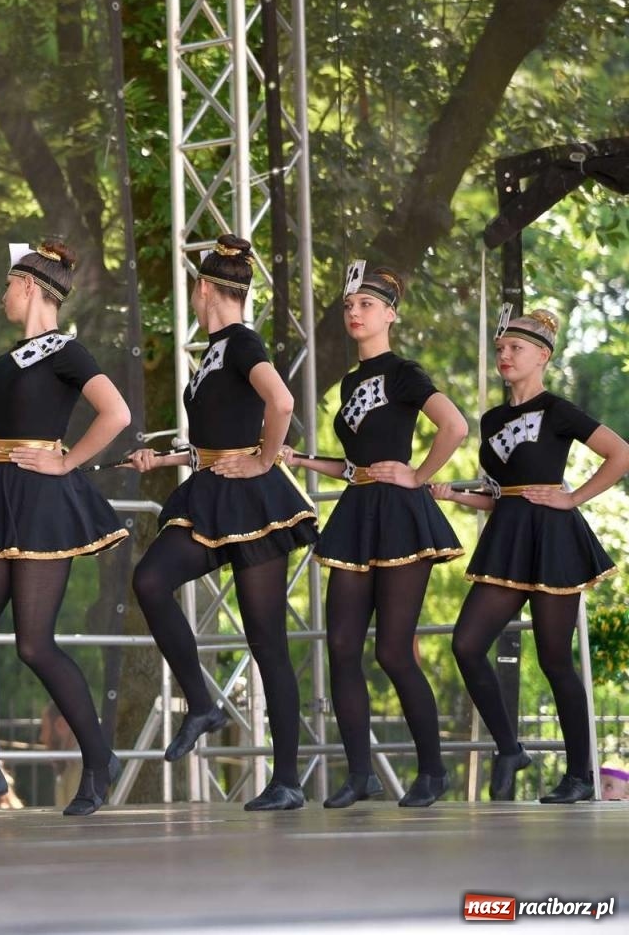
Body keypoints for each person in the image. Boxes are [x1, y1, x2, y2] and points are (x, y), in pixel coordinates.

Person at [0, 240, 131, 818]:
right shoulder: (13, 357)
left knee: (33, 643)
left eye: (6, 285)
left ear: (27, 287)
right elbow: (16, 430)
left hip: (44, 501)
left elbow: (116, 413)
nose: (1, 295)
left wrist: (67, 462)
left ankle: (98, 759)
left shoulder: (66, 352)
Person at [129, 235, 318, 811]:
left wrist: (264, 460)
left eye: (194, 286)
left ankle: (286, 779)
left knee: (268, 641)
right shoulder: (213, 351)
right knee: (150, 581)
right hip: (210, 486)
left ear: (205, 288)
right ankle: (203, 703)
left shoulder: (240, 342)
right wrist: (169, 458)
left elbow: (281, 403)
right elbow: (218, 431)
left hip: (253, 497)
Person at [281, 266, 465, 808]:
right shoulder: (351, 382)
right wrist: (302, 459)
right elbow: (356, 466)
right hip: (358, 510)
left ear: (390, 313)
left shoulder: (404, 373)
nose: (355, 313)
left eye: (366, 304)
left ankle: (432, 771)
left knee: (392, 649)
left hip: (401, 517)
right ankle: (360, 773)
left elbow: (454, 427)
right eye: (348, 306)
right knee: (340, 645)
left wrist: (419, 474)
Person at [433, 308, 628, 804]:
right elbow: (501, 492)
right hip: (507, 536)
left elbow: (621, 453)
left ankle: (580, 774)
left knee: (555, 658)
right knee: (467, 643)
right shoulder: (492, 419)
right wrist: (458, 497)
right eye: (500, 349)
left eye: (514, 349)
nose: (504, 356)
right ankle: (509, 747)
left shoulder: (559, 410)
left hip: (552, 538)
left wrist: (572, 497)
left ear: (541, 356)